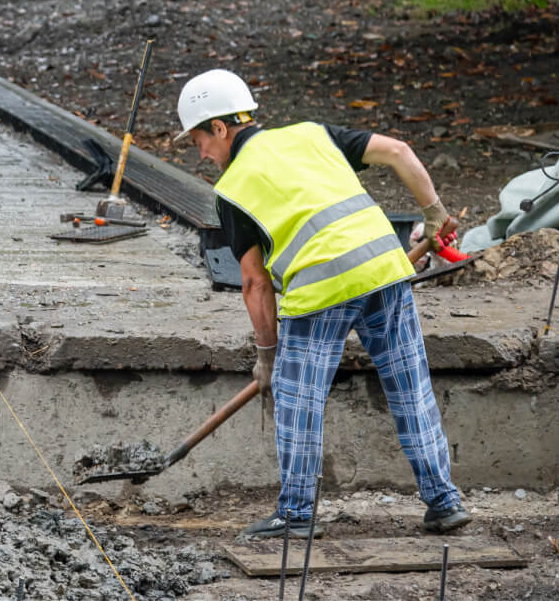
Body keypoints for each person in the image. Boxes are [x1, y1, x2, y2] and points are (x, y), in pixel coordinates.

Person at [175, 69, 471, 540]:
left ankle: (295, 513)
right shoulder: (312, 135)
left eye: (198, 140)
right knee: (411, 387)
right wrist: (433, 211)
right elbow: (399, 151)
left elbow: (254, 284)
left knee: (299, 398)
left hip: (322, 289)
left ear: (219, 127)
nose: (202, 154)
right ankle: (444, 501)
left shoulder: (233, 190)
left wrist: (268, 357)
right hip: (385, 269)